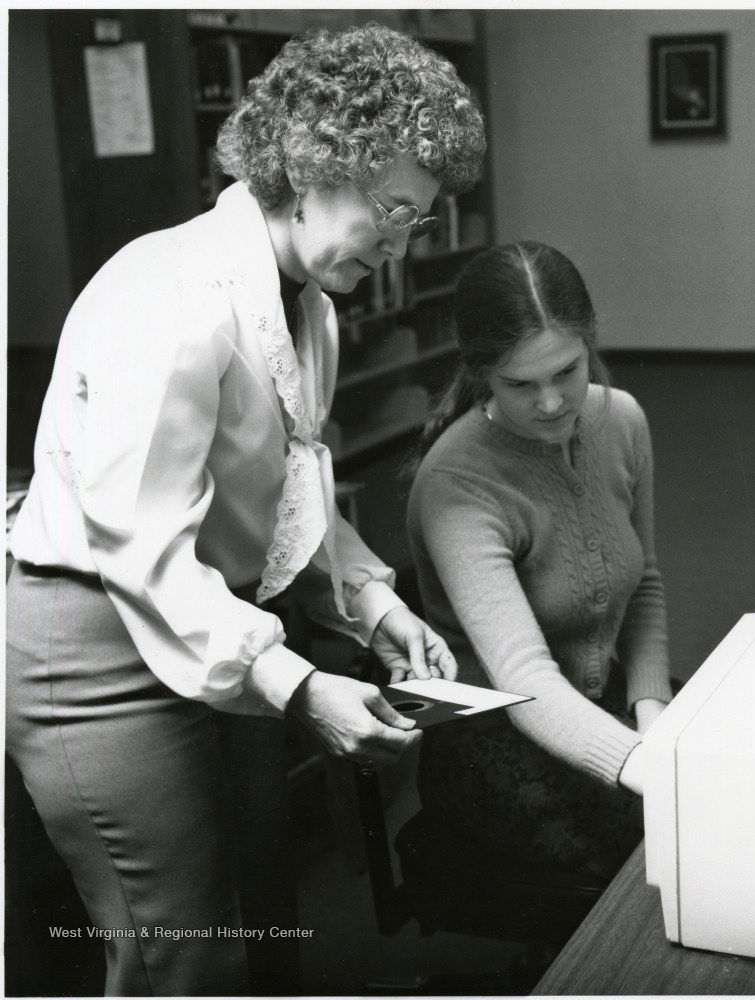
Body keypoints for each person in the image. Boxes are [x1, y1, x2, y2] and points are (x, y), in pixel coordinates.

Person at [6, 24, 485, 997]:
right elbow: (142, 548)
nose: (400, 243)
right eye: (391, 209)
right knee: (185, 946)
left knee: (263, 905)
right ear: (311, 165)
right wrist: (302, 687)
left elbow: (291, 489)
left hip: (211, 614)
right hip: (98, 631)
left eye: (418, 223)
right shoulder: (172, 295)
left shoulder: (308, 302)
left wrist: (377, 606)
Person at [406, 241, 674, 879]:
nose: (552, 402)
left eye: (567, 371)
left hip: (598, 695)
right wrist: (647, 768)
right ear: (480, 373)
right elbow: (522, 677)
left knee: (740, 770)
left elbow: (645, 586)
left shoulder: (624, 421)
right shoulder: (456, 484)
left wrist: (653, 715)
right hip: (488, 723)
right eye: (519, 384)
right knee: (659, 840)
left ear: (590, 345)